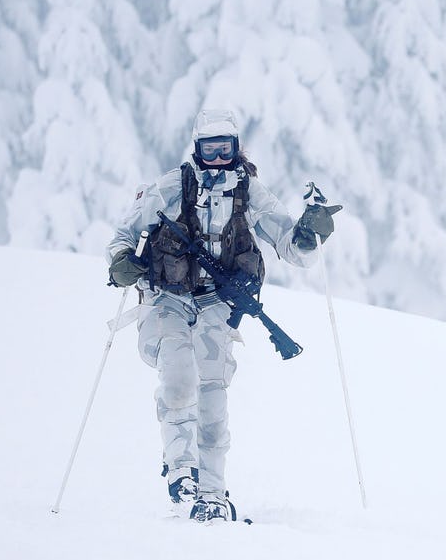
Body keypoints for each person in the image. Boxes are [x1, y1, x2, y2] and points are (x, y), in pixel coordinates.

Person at [106, 109, 340, 522]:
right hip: (168, 296)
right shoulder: (173, 186)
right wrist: (123, 261)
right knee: (178, 378)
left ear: (236, 148)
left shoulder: (249, 192)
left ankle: (213, 492)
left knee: (212, 390)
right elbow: (124, 233)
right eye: (208, 149)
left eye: (224, 149)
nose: (216, 157)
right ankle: (182, 470)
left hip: (217, 301)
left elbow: (291, 246)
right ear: (197, 148)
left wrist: (308, 233)